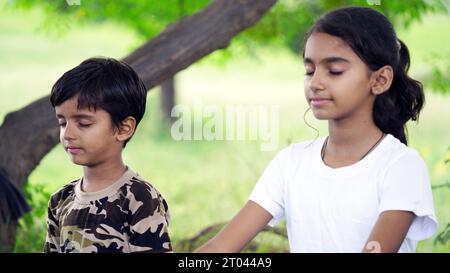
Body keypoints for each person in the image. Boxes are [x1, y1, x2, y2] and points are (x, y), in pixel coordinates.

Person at [197, 6, 437, 253]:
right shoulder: (291, 163)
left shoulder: (400, 166)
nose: (315, 83)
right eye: (310, 70)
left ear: (379, 80)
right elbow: (219, 248)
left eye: (334, 71)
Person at [44, 57, 172, 253]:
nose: (67, 134)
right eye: (62, 122)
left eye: (84, 123)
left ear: (123, 128)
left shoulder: (139, 199)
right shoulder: (60, 200)